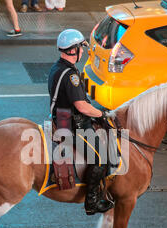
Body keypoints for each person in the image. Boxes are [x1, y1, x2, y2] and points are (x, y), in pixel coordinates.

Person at [48, 29, 114, 215]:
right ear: (72, 50)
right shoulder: (71, 76)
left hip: (63, 118)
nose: (82, 51)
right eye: (80, 48)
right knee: (100, 158)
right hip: (73, 125)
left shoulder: (57, 67)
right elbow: (82, 106)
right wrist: (101, 115)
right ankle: (91, 202)